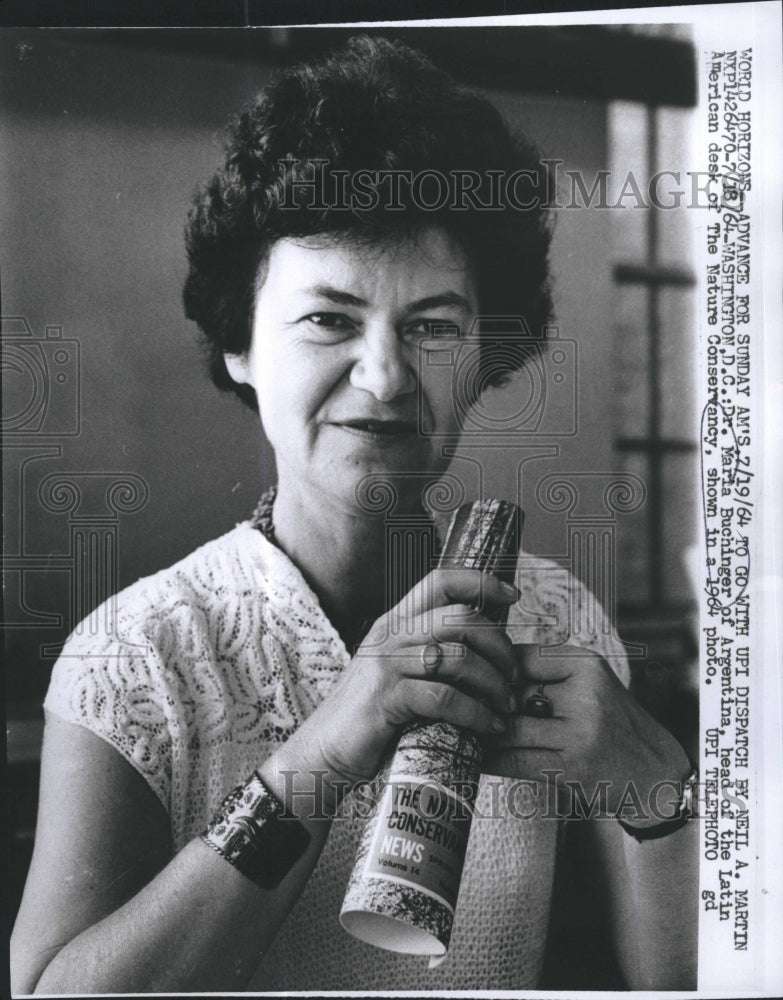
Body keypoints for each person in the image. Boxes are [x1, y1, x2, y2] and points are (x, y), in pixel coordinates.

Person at [10, 35, 697, 993]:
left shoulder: (559, 622)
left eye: (432, 327)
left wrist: (661, 795)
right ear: (238, 346)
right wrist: (322, 755)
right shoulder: (133, 653)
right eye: (329, 319)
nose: (382, 377)